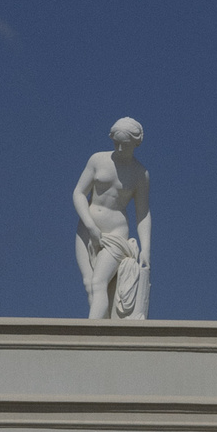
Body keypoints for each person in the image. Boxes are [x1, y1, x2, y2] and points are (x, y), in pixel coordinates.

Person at [73, 118, 152, 321]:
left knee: (98, 282)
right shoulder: (97, 160)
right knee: (89, 284)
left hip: (116, 234)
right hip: (87, 228)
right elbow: (79, 193)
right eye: (116, 143)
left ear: (136, 143)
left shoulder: (140, 174)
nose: (120, 148)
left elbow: (143, 214)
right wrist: (90, 226)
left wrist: (146, 249)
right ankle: (105, 330)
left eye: (125, 144)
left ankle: (90, 333)